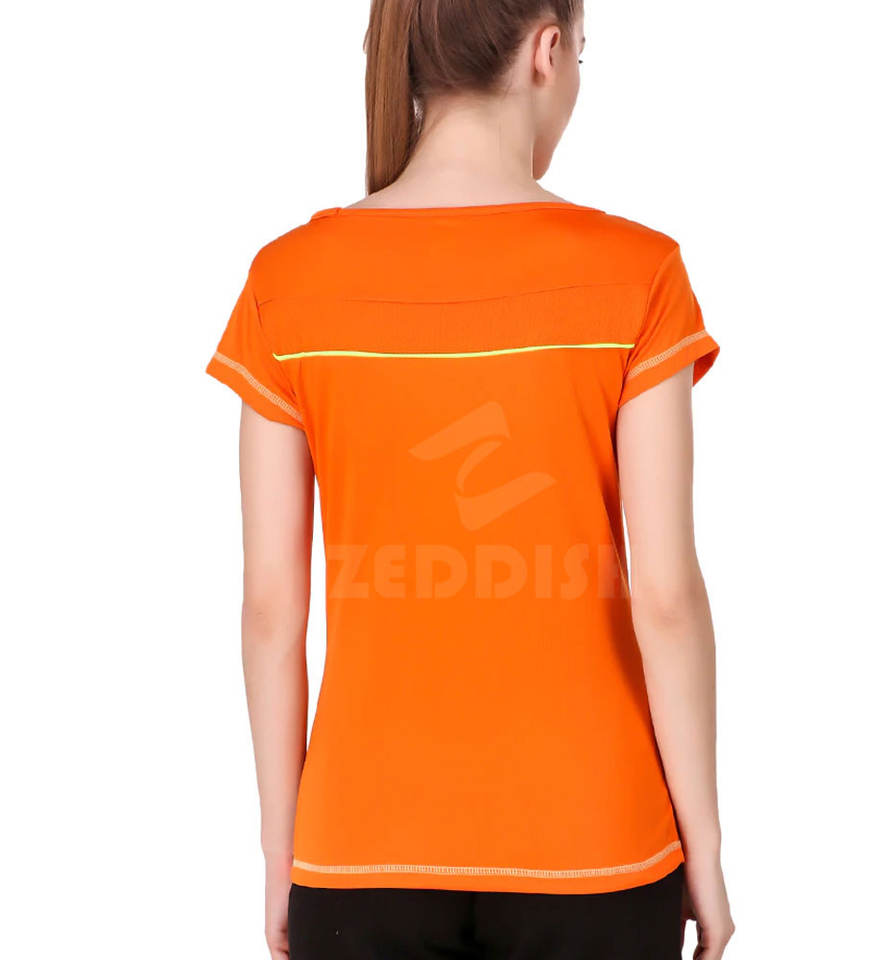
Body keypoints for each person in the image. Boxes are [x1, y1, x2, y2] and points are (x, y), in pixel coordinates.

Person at [206, 1, 734, 957]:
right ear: (547, 51)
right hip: (601, 851)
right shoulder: (639, 274)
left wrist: (282, 853)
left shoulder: (287, 282)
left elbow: (271, 613)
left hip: (358, 857)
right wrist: (705, 845)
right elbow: (665, 597)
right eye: (584, 53)